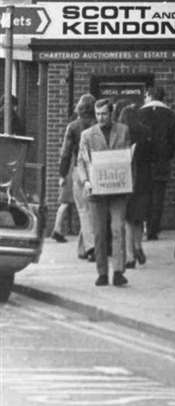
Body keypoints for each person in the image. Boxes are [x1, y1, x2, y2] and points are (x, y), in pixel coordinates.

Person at [76, 97, 131, 288]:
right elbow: (81, 162)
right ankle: (101, 272)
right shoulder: (87, 135)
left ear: (111, 113)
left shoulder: (123, 131)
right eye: (98, 114)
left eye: (104, 114)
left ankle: (118, 271)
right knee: (99, 233)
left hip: (117, 190)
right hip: (96, 191)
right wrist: (86, 181)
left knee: (118, 228)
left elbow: (127, 156)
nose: (100, 117)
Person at [140, 82, 175, 240]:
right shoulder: (171, 115)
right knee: (158, 196)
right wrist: (167, 154)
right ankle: (153, 229)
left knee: (144, 194)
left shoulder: (140, 114)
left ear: (149, 96)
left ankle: (144, 225)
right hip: (161, 162)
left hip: (143, 162)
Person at [57, 93, 97, 255]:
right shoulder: (97, 124)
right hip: (97, 167)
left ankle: (90, 246)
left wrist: (62, 174)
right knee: (93, 209)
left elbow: (65, 153)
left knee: (83, 209)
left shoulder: (73, 127)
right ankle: (85, 247)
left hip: (79, 169)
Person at [118, 103, 152, 269]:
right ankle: (138, 246)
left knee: (127, 219)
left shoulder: (120, 134)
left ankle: (130, 256)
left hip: (127, 178)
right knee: (138, 217)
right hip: (144, 179)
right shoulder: (146, 131)